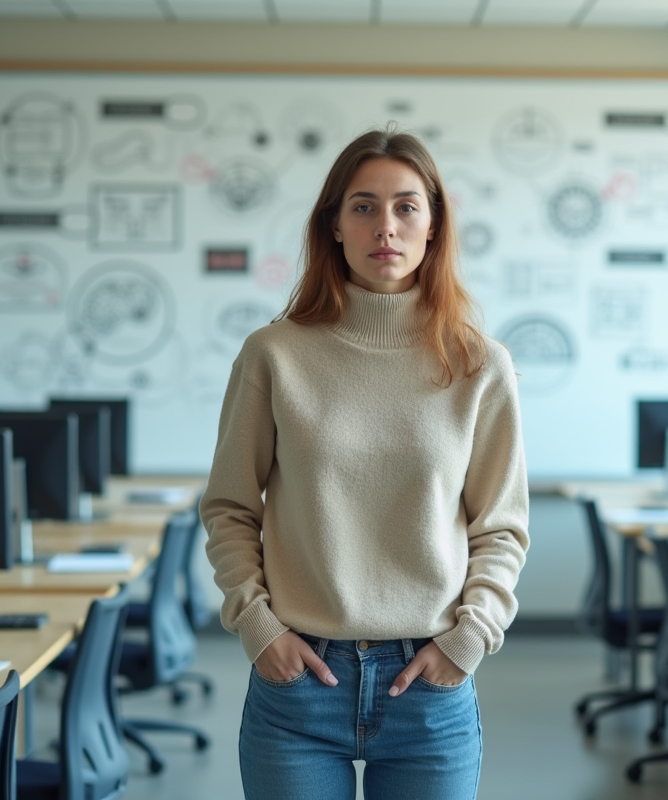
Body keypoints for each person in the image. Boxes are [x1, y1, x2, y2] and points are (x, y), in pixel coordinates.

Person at [199, 125, 530, 800]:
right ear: (335, 226)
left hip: (430, 685)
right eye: (364, 206)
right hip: (298, 684)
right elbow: (231, 508)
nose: (387, 225)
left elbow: (500, 527)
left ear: (434, 226)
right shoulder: (274, 355)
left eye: (407, 206)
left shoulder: (479, 364)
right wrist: (258, 627)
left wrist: (470, 640)